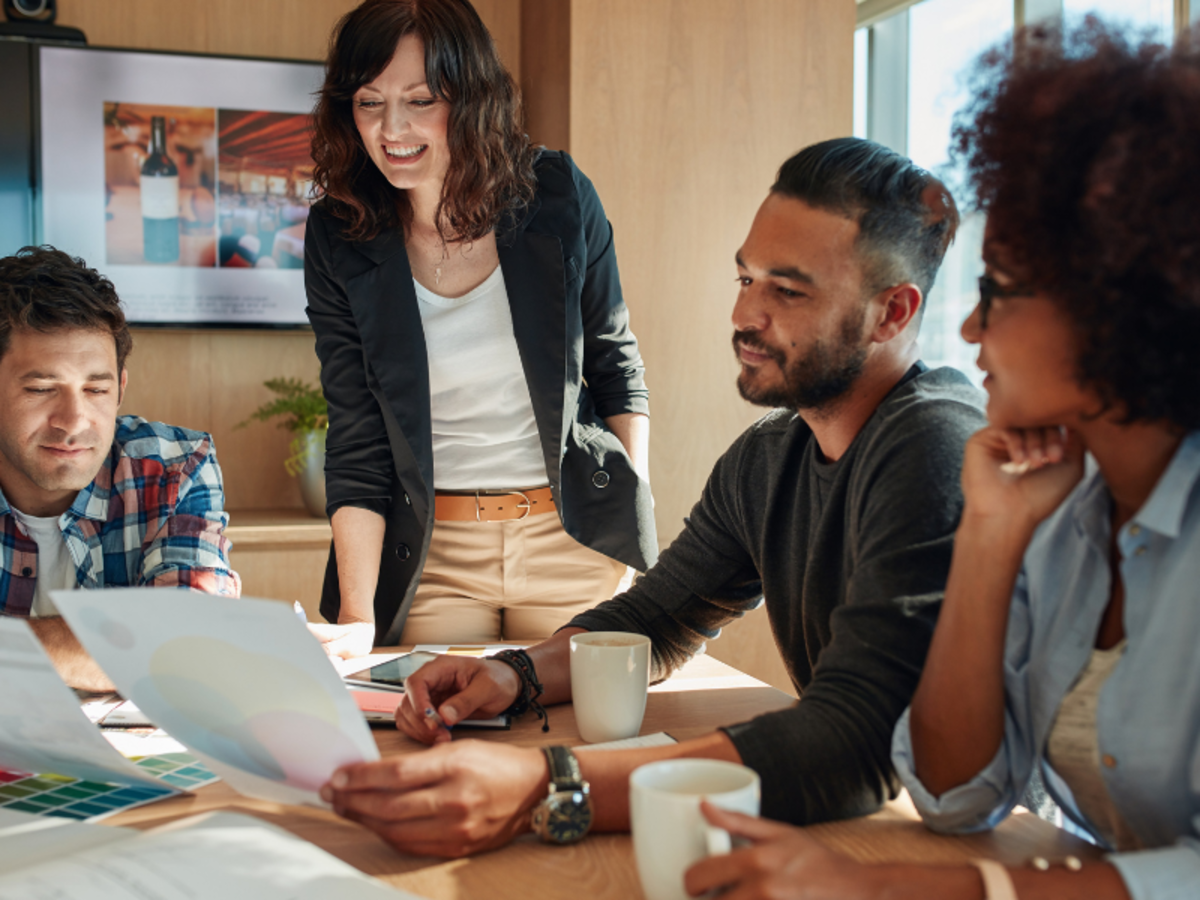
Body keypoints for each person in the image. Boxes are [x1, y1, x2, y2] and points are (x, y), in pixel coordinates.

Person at [320, 137, 988, 857]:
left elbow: (856, 738)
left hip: (963, 851)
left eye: (787, 291)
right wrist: (509, 675)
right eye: (745, 279)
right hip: (862, 829)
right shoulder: (769, 457)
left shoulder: (934, 445)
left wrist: (546, 784)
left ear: (893, 313)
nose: (745, 316)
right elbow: (656, 617)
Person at [673, 22, 1200, 900]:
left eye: (998, 292)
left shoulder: (933, 435)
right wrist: (991, 537)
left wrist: (888, 890)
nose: (967, 328)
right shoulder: (1059, 511)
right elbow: (958, 796)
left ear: (1121, 302)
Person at [305, 0, 656, 660]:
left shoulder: (556, 193)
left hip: (572, 539)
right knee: (437, 736)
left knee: (584, 744)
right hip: (435, 555)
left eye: (421, 99)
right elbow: (355, 430)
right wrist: (357, 618)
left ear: (470, 98)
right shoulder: (340, 232)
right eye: (369, 102)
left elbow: (615, 367)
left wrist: (628, 528)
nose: (392, 129)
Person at [0, 246, 240, 691]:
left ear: (121, 388)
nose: (73, 421)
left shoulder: (176, 468)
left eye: (96, 389)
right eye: (41, 388)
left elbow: (189, 647)